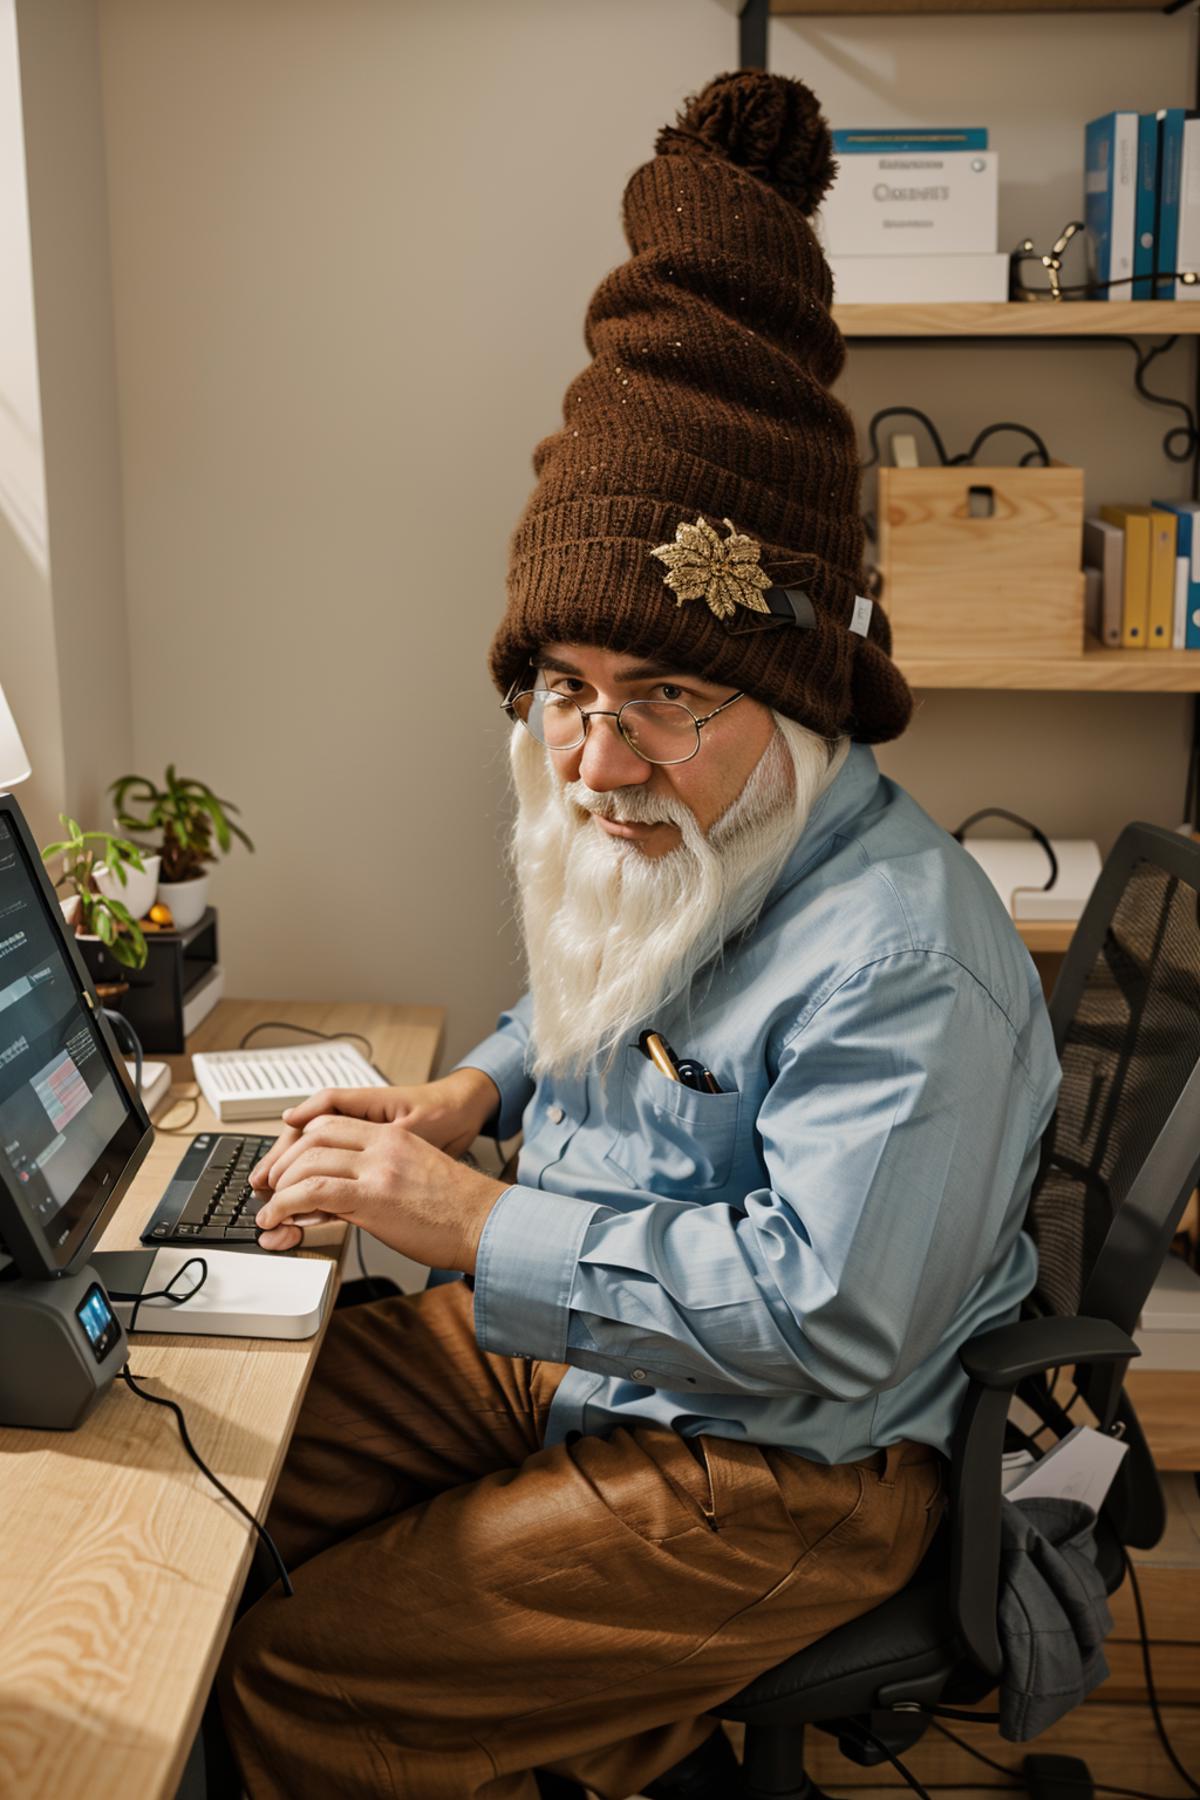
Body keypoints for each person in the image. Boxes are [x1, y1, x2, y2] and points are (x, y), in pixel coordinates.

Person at [218, 70, 1061, 1800]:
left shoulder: (907, 958)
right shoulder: (723, 831)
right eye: (564, 694)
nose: (599, 766)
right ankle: (584, 1726)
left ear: (797, 696)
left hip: (790, 1463)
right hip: (596, 1337)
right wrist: (473, 1091)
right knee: (227, 1488)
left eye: (665, 696)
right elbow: (609, 991)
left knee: (306, 1669)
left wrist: (471, 1222)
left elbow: (829, 1320)